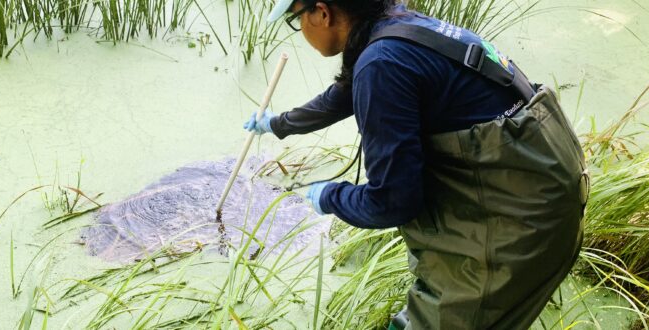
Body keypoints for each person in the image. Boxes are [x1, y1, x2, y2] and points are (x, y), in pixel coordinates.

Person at [243, 0, 588, 329]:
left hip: (525, 218)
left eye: (296, 18)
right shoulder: (395, 28)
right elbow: (345, 94)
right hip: (546, 177)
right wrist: (279, 124)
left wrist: (330, 196)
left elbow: (392, 202)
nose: (300, 29)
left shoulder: (381, 63)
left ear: (321, 12)